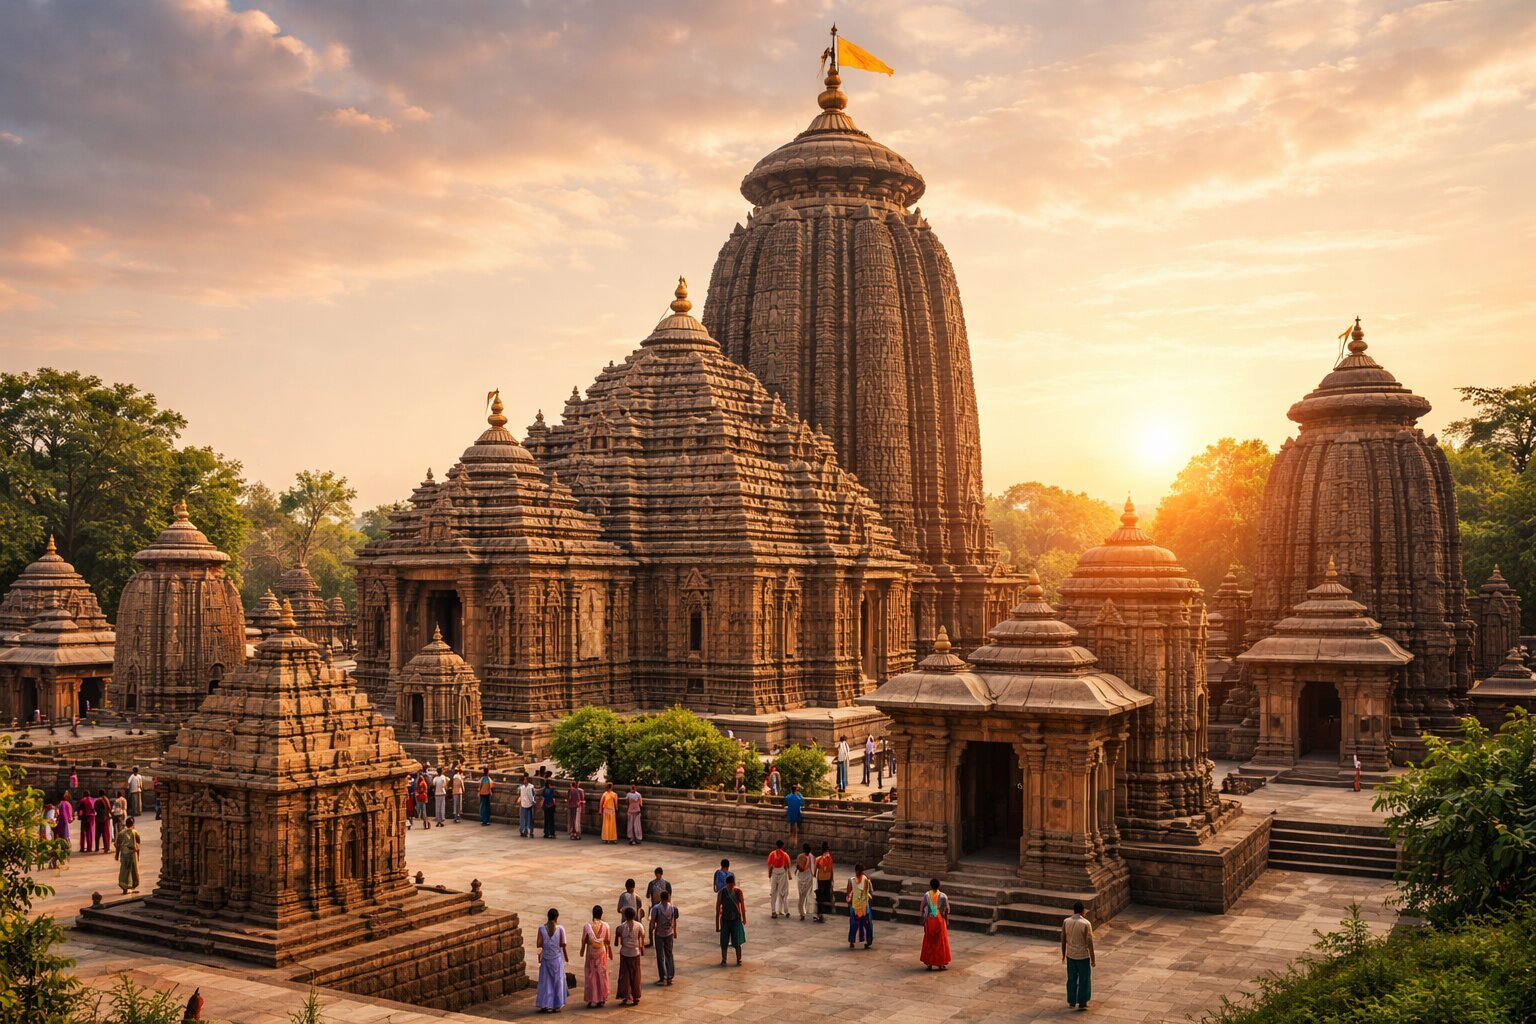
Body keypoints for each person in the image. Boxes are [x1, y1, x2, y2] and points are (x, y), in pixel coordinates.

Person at [1062, 900, 1095, 1011]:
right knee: (1084, 979)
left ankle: (1071, 1000)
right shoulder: (1086, 923)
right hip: (1082, 956)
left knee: (1071, 978)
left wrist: (1063, 954)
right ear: (1082, 911)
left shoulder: (1066, 921)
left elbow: (1063, 939)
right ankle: (1082, 1001)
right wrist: (1093, 959)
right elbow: (1090, 942)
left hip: (1070, 954)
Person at [535, 907, 568, 1013]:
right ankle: (556, 1005)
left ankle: (545, 1004)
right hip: (557, 959)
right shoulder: (560, 929)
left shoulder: (541, 929)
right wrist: (566, 957)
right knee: (557, 982)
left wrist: (539, 957)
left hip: (545, 958)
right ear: (556, 917)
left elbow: (539, 945)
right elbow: (563, 945)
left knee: (546, 982)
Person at [580, 905, 612, 1008]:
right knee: (601, 975)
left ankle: (591, 998)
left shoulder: (587, 926)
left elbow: (584, 940)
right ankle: (601, 998)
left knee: (591, 975)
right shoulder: (606, 926)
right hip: (601, 952)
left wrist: (582, 950)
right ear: (601, 914)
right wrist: (608, 952)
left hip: (591, 953)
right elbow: (607, 941)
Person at [615, 906, 646, 1005]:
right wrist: (641, 949)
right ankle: (636, 996)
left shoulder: (621, 927)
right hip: (635, 953)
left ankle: (626, 995)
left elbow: (617, 943)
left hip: (625, 953)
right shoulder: (639, 926)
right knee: (636, 975)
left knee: (625, 975)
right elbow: (642, 939)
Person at [648, 887, 678, 986]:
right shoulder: (672, 907)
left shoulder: (656, 908)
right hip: (669, 933)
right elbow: (674, 920)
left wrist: (651, 930)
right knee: (669, 954)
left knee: (660, 956)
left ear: (660, 898)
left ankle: (663, 977)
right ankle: (670, 976)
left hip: (659, 934)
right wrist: (674, 930)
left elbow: (652, 921)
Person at [715, 873, 746, 966]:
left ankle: (739, 959)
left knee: (737, 941)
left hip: (736, 919)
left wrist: (744, 918)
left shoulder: (738, 892)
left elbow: (742, 906)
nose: (731, 886)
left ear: (734, 883)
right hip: (725, 919)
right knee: (724, 941)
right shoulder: (722, 892)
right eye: (729, 884)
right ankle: (724, 959)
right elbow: (717, 909)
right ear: (726, 884)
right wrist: (717, 925)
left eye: (732, 884)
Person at [920, 878, 951, 970]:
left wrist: (923, 919)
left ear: (930, 885)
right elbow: (946, 910)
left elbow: (922, 907)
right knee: (940, 941)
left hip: (930, 919)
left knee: (930, 941)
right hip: (939, 920)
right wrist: (947, 921)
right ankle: (940, 964)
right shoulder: (943, 896)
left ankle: (929, 963)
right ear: (939, 886)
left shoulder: (927, 895)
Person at [847, 863, 874, 949]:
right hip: (863, 906)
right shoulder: (866, 880)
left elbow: (848, 893)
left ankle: (852, 941)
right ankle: (868, 941)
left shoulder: (852, 880)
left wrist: (849, 902)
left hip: (857, 906)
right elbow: (870, 893)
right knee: (867, 924)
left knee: (854, 924)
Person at [115, 817, 141, 894]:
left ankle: (125, 888)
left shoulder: (121, 833)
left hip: (124, 854)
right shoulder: (134, 832)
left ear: (126, 824)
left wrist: (117, 855)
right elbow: (138, 841)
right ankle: (131, 887)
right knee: (133, 871)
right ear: (133, 824)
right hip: (133, 854)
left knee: (124, 871)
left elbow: (117, 845)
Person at [767, 840, 792, 918]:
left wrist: (769, 874)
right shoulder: (785, 854)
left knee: (773, 893)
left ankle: (773, 911)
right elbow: (788, 865)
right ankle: (786, 911)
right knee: (783, 892)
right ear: (782, 846)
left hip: (774, 874)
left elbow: (769, 865)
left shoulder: (772, 854)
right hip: (782, 874)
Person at [794, 843, 816, 921]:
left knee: (801, 896)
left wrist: (796, 870)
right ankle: (813, 912)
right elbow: (813, 869)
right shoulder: (812, 857)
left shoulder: (800, 856)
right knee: (809, 895)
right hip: (808, 877)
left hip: (801, 878)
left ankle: (802, 913)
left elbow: (799, 868)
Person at [813, 844, 834, 923]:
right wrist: (832, 879)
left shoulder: (818, 859)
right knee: (825, 896)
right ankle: (822, 913)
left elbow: (815, 871)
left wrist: (814, 877)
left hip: (821, 879)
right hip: (827, 879)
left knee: (820, 897)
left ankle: (820, 913)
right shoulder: (830, 859)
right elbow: (831, 870)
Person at [78, 788, 96, 852]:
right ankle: (89, 847)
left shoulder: (83, 801)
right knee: (89, 833)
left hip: (84, 818)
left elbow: (80, 811)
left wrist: (80, 817)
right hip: (91, 818)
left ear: (83, 794)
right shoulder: (93, 800)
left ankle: (82, 848)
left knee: (83, 833)